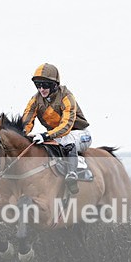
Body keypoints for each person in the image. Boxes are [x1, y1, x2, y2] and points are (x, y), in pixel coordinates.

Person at [21, 63, 92, 195]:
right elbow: (26, 121)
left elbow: (66, 125)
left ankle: (72, 174)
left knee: (65, 139)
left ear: (54, 84)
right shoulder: (35, 100)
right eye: (38, 85)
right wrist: (22, 136)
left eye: (45, 85)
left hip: (80, 135)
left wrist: (46, 135)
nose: (41, 89)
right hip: (56, 136)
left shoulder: (66, 97)